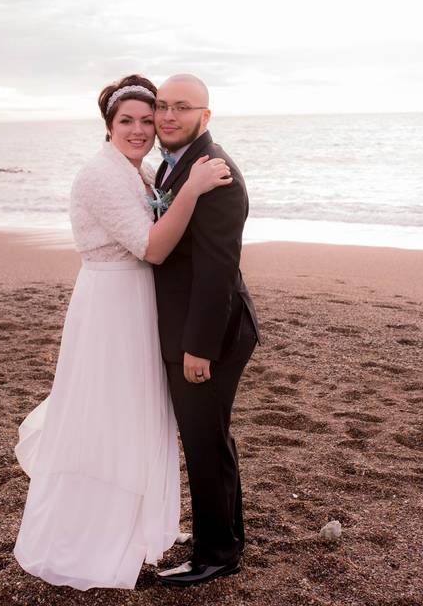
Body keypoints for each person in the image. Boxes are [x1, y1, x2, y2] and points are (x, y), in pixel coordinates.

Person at [11, 74, 232, 591]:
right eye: (126, 121)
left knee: (134, 413)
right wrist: (195, 189)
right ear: (108, 127)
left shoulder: (141, 173)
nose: (139, 130)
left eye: (147, 121)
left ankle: (130, 527)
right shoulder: (100, 176)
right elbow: (151, 248)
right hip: (111, 305)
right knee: (105, 416)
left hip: (136, 304)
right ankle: (93, 536)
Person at [152, 74, 260, 587]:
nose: (168, 115)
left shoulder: (215, 174)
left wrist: (199, 348)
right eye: (162, 105)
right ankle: (228, 539)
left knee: (203, 442)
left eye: (182, 107)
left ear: (205, 116)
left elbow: (217, 269)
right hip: (191, 328)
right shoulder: (173, 166)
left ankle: (215, 555)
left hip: (208, 337)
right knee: (210, 439)